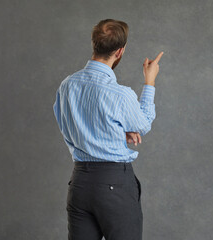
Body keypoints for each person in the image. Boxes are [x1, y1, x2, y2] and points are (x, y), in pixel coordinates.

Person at [52, 18, 163, 240]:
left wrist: (115, 131)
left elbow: (68, 125)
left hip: (80, 184)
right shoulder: (120, 94)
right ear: (120, 51)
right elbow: (143, 124)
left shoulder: (67, 85)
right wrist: (149, 81)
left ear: (94, 44)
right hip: (114, 185)